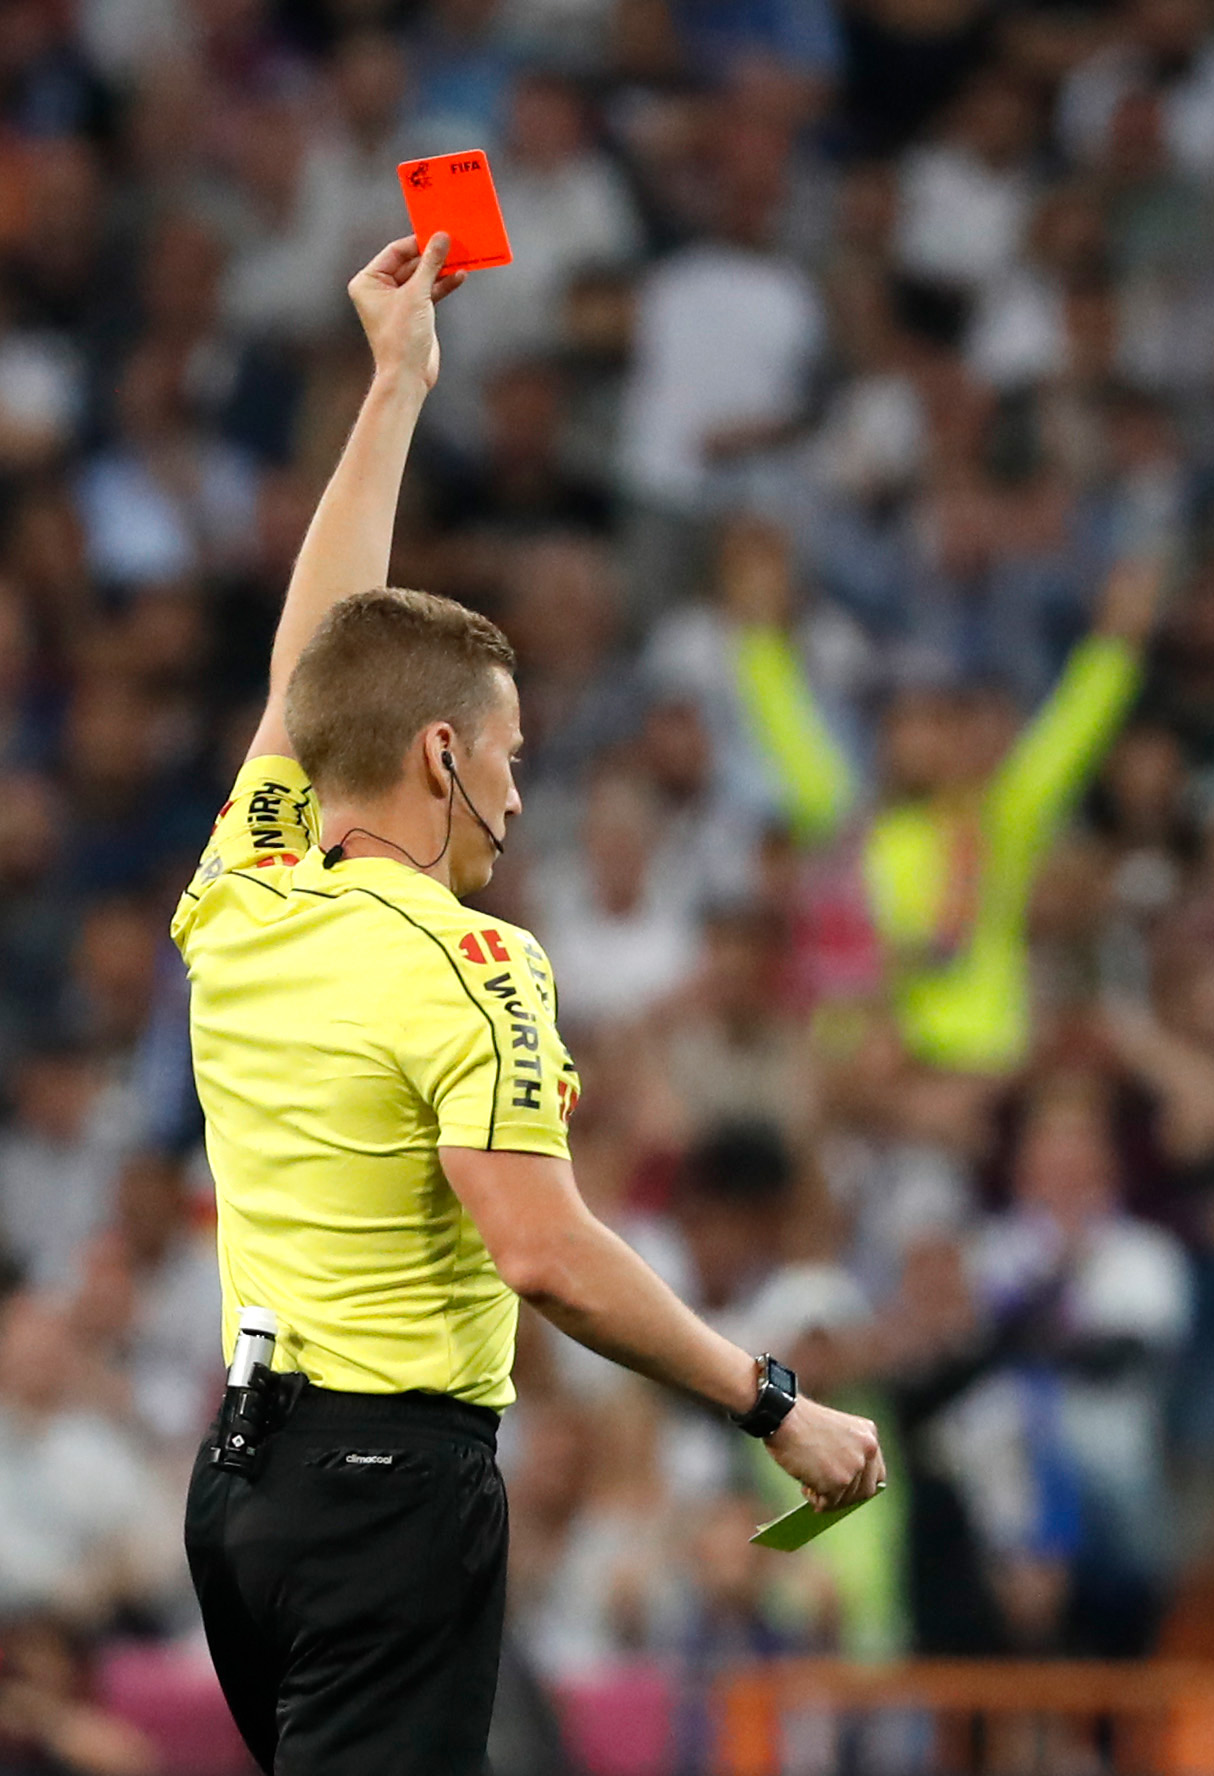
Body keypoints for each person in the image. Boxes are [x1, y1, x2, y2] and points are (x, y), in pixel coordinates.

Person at [174, 235, 882, 1776]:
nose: (517, 786)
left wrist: (397, 385)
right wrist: (773, 1406)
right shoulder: (477, 960)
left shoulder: (245, 887)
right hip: (390, 1486)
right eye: (506, 751)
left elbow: (315, 657)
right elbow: (545, 1256)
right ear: (439, 755)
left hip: (243, 1493)